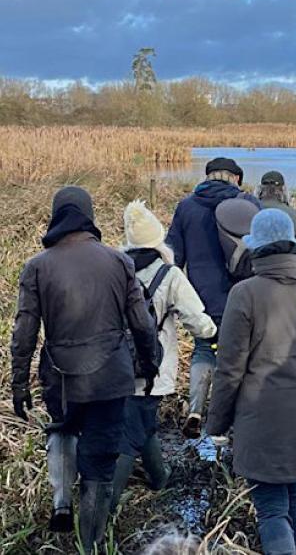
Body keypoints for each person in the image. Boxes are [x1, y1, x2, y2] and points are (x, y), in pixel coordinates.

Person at [11, 187, 159, 552]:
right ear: (89, 216)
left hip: (61, 378)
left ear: (56, 215)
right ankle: (90, 545)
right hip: (111, 378)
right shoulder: (119, 262)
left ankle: (62, 501)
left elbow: (24, 331)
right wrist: (149, 364)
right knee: (100, 466)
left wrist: (19, 383)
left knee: (63, 427)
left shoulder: (37, 266)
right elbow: (142, 324)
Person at [206, 209, 296, 555]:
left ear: (256, 248)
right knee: (294, 496)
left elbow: (229, 369)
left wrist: (217, 424)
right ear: (294, 245)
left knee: (271, 509)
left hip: (261, 417)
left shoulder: (244, 294)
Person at [112, 201, 217, 513]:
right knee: (133, 432)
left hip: (115, 362)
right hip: (152, 368)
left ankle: (159, 476)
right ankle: (107, 503)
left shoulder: (114, 269)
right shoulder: (169, 274)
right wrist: (213, 334)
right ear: (158, 240)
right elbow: (196, 318)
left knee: (140, 421)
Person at [166, 157, 260, 439]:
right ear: (236, 178)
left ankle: (196, 410)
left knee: (204, 349)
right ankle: (237, 414)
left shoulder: (187, 206)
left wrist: (173, 296)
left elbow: (173, 256)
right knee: (242, 354)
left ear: (207, 176)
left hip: (201, 296)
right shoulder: (249, 204)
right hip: (243, 294)